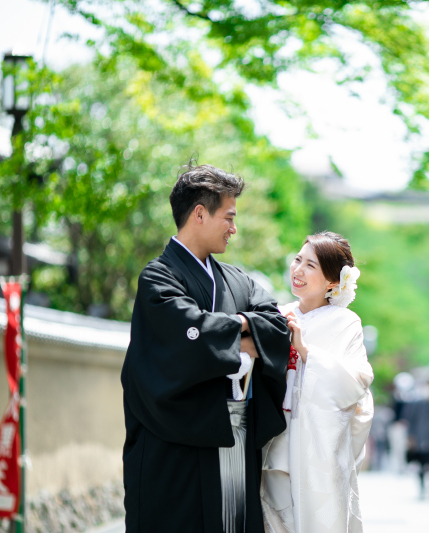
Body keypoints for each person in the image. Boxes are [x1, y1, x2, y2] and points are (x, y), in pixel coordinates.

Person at [121, 163, 290, 533]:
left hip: (235, 435)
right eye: (228, 217)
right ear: (199, 214)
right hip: (174, 446)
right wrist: (247, 330)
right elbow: (188, 333)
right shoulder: (158, 278)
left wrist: (233, 332)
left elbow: (276, 326)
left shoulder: (237, 279)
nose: (234, 228)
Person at [261, 231, 374, 533]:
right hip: (273, 439)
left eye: (310, 265)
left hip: (315, 449)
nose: (298, 270)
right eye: (297, 260)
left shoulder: (344, 323)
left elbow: (357, 382)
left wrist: (306, 351)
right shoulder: (276, 314)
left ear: (333, 282)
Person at [402, 379, 429, 496]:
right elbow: (412, 421)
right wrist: (411, 438)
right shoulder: (417, 404)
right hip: (419, 440)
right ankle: (422, 488)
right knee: (420, 466)